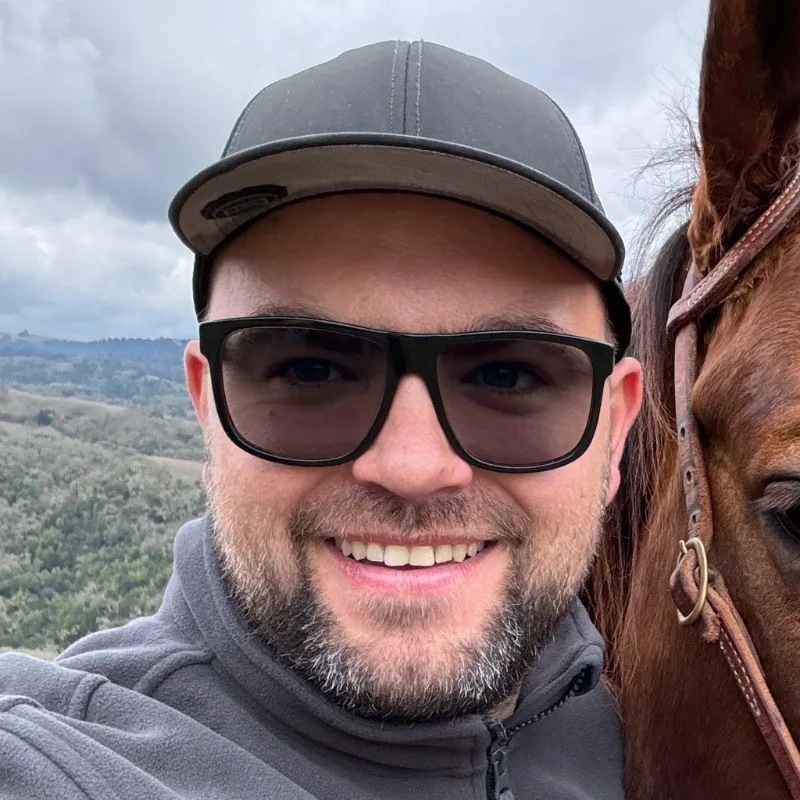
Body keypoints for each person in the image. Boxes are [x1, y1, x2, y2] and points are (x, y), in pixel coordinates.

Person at [0, 41, 642, 799]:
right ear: (207, 406)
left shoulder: (671, 727)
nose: (411, 466)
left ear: (614, 431)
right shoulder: (74, 767)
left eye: (508, 374)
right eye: (311, 370)